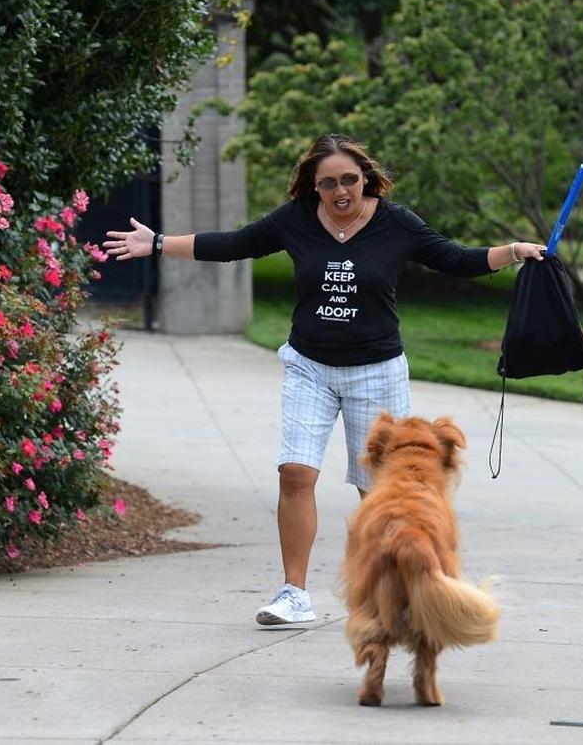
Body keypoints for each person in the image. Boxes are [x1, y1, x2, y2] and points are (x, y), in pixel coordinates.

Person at [103, 134, 543, 626]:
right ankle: (294, 594)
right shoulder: (296, 219)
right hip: (309, 366)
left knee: (379, 490)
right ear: (314, 186)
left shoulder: (396, 223)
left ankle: (395, 592)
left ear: (365, 178)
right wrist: (158, 243)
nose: (340, 191)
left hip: (376, 372)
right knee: (295, 472)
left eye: (349, 180)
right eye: (328, 182)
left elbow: (455, 259)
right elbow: (234, 244)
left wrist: (514, 251)